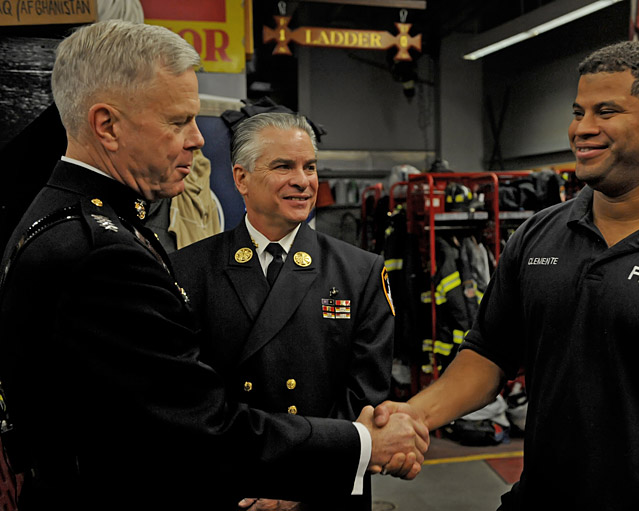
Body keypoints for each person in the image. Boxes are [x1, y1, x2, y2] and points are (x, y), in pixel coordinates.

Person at [0, 19, 427, 511]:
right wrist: (367, 444)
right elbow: (198, 428)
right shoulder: (102, 252)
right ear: (107, 125)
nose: (199, 140)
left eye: (310, 166)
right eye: (178, 120)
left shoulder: (69, 219)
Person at [376, 41, 639, 510]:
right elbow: (489, 354)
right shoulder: (537, 236)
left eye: (605, 111)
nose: (582, 129)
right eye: (578, 111)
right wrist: (413, 414)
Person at [170, 112, 396, 511]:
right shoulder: (188, 270)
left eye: (309, 167)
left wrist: (299, 485)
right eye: (283, 166)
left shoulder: (360, 271)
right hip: (230, 489)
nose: (303, 181)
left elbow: (365, 399)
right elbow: (188, 401)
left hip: (324, 490)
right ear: (241, 178)